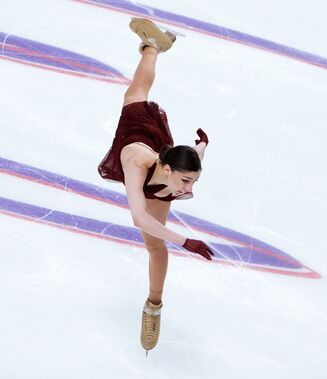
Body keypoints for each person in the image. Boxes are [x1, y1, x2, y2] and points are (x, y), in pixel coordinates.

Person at [97, 18, 214, 355]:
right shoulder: (135, 166)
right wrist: (185, 240)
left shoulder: (178, 169)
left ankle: (154, 307)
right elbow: (139, 217)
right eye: (186, 181)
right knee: (135, 95)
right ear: (166, 168)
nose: (189, 188)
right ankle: (152, 47)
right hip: (137, 135)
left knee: (155, 246)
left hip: (165, 157)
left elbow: (193, 155)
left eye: (193, 181)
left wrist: (202, 146)